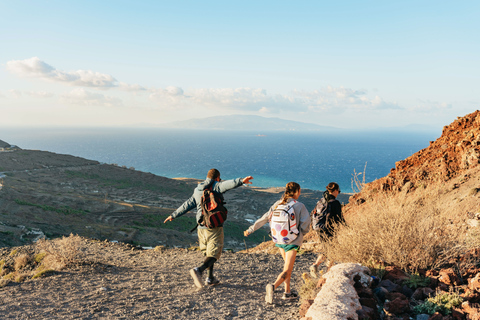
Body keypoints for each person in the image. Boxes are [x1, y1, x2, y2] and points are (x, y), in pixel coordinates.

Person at [164, 168, 253, 289]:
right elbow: (227, 185)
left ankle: (210, 278)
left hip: (201, 226)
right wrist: (241, 181)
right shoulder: (216, 186)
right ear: (217, 178)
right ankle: (198, 270)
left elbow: (188, 204)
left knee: (208, 253)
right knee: (214, 254)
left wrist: (173, 215)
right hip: (214, 226)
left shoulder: (197, 190)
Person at [244, 182, 310, 303]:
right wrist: (301, 234)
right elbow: (306, 224)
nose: (300, 193)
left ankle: (287, 292)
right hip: (293, 241)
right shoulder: (299, 206)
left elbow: (264, 218)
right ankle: (273, 287)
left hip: (279, 240)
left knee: (287, 267)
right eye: (299, 191)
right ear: (296, 192)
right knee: (287, 270)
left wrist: (250, 229)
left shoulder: (277, 204)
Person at [309, 182, 343, 277]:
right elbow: (340, 218)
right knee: (332, 251)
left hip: (319, 228)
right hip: (330, 230)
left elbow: (313, 213)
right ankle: (328, 271)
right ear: (335, 190)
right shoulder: (335, 203)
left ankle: (316, 265)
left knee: (326, 249)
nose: (338, 193)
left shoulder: (321, 201)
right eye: (338, 191)